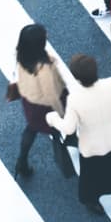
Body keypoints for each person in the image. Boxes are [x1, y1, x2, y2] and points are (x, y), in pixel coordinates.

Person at [51, 54, 111, 213]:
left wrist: (53, 118)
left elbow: (68, 128)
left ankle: (92, 202)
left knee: (90, 178)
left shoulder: (75, 98)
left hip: (91, 146)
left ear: (76, 77)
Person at [9, 25, 73, 179]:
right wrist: (62, 114)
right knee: (58, 130)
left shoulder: (20, 55)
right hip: (47, 106)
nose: (47, 34)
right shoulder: (45, 69)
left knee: (32, 127)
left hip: (31, 101)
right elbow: (52, 96)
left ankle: (21, 162)